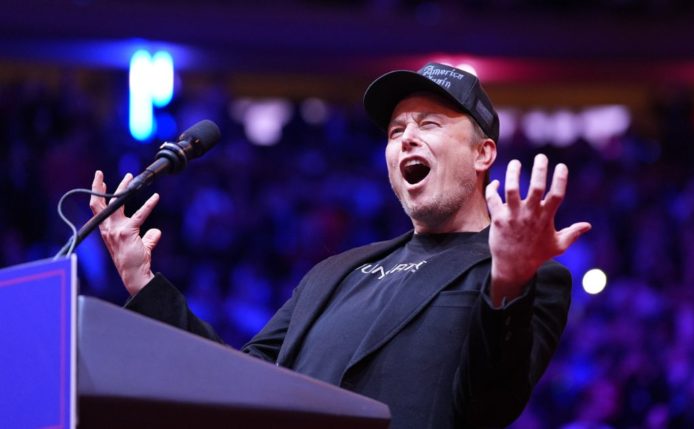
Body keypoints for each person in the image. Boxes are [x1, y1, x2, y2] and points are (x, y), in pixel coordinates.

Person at [89, 62, 591, 428]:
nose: (406, 139)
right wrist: (142, 280)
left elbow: (488, 406)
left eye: (430, 124)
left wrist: (507, 281)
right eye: (396, 132)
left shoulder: (529, 276)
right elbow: (235, 381)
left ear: (484, 154)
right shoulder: (334, 273)